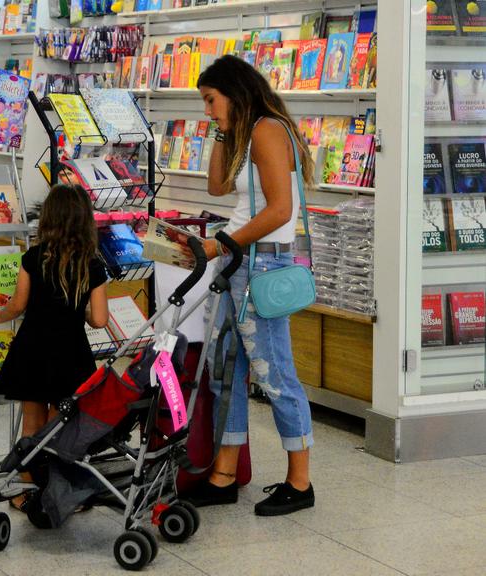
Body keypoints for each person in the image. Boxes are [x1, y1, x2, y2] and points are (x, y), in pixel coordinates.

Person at [183, 55, 316, 516]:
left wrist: (219, 246)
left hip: (258, 267)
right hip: (236, 262)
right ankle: (223, 474)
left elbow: (280, 210)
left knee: (275, 374)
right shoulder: (246, 131)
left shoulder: (267, 131)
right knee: (224, 372)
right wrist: (221, 129)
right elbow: (217, 186)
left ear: (234, 92)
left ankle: (300, 482)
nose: (207, 110)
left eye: (211, 100)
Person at [0, 183, 109, 511]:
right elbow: (99, 319)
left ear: (48, 218)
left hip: (32, 351)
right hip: (71, 355)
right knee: (60, 427)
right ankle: (61, 493)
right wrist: (76, 308)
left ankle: (25, 489)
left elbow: (17, 306)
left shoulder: (33, 257)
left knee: (31, 425)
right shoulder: (92, 265)